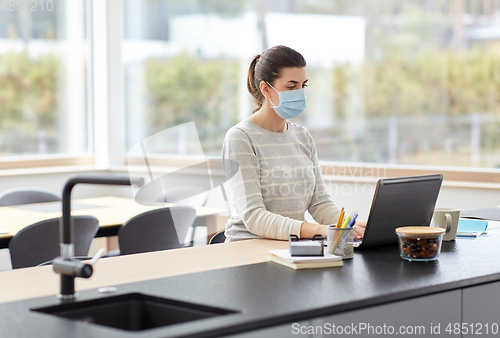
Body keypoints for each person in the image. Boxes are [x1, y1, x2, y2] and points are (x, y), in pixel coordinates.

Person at [222, 45, 365, 242]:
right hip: (248, 249)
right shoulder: (240, 137)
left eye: (303, 85)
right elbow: (254, 217)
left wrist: (347, 225)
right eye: (291, 87)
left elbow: (319, 203)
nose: (299, 93)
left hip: (292, 248)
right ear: (266, 89)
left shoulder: (302, 136)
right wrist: (322, 230)